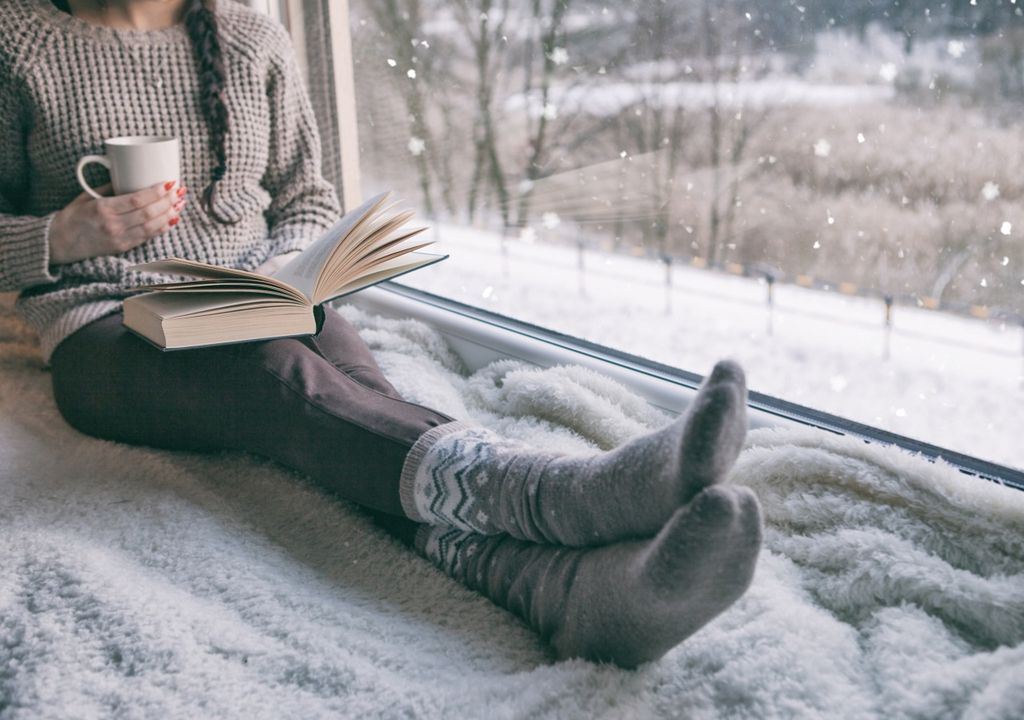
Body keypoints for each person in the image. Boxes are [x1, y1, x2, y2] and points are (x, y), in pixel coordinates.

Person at [0, 0, 763, 669]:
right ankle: (558, 490)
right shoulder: (19, 40)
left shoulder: (250, 39)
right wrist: (60, 235)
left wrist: (280, 274)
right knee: (282, 379)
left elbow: (306, 197)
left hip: (259, 297)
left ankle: (563, 593)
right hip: (106, 332)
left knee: (359, 410)